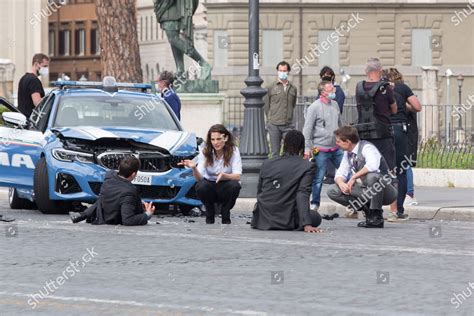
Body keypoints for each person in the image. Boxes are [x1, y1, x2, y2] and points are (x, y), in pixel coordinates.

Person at [251, 130, 322, 233]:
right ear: (301, 147)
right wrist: (306, 224)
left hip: (263, 219)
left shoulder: (267, 163)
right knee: (316, 217)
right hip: (287, 219)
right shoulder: (307, 166)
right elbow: (302, 193)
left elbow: (260, 191)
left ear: (284, 144)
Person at [327, 126, 398, 228]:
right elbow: (340, 173)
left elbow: (372, 165)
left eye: (338, 141)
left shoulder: (367, 147)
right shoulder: (348, 154)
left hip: (387, 192)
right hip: (367, 191)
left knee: (372, 177)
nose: (336, 144)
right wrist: (341, 184)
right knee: (332, 190)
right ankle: (368, 211)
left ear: (347, 142)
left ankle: (376, 216)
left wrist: (353, 177)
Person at [179, 124, 241, 224]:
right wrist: (194, 168)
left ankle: (225, 212)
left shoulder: (233, 151)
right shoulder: (205, 151)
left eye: (218, 139)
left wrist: (224, 175)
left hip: (226, 185)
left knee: (235, 185)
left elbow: (237, 176)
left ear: (225, 138)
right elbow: (199, 179)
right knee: (201, 186)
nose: (215, 142)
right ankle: (209, 212)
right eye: (213, 139)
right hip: (210, 186)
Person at [69, 156, 155, 225]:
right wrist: (147, 215)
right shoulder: (129, 191)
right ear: (133, 174)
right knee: (103, 198)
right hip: (111, 218)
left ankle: (82, 215)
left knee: (102, 198)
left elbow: (116, 195)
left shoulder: (109, 176)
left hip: (101, 213)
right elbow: (128, 220)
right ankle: (82, 215)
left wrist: (139, 203)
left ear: (119, 168)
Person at [387, 68, 422, 221]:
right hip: (400, 129)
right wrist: (406, 107)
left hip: (383, 130)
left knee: (384, 170)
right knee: (400, 170)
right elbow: (417, 107)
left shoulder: (379, 89)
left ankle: (376, 208)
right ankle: (397, 210)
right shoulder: (403, 88)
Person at [302, 81, 343, 211]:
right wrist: (306, 149)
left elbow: (340, 124)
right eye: (331, 89)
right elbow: (307, 129)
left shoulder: (335, 105)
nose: (334, 91)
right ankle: (315, 204)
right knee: (318, 178)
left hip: (336, 148)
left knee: (345, 174)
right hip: (321, 148)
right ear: (323, 92)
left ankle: (351, 204)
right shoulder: (314, 107)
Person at [355, 58, 397, 172]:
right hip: (383, 134)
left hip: (364, 133)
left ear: (366, 71)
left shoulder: (359, 87)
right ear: (381, 70)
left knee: (367, 164)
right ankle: (389, 187)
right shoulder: (385, 87)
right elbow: (394, 110)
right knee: (388, 167)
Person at [154, 0, 211, 80]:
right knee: (173, 40)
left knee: (173, 39)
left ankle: (203, 64)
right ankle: (180, 70)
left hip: (172, 10)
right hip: (168, 11)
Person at [317, 66, 346, 186]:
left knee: (334, 150)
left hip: (332, 126)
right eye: (324, 75)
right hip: (323, 126)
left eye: (328, 75)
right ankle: (330, 174)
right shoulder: (321, 91)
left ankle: (334, 174)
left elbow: (336, 109)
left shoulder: (337, 92)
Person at [264, 61, 298, 158]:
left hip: (288, 124)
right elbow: (266, 105)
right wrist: (270, 119)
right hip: (274, 124)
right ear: (277, 71)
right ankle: (276, 172)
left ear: (288, 72)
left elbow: (293, 104)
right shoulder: (270, 87)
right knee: (275, 153)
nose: (282, 72)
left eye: (284, 70)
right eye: (280, 70)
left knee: (290, 152)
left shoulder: (293, 88)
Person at [17, 53, 49, 118]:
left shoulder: (23, 78)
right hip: (31, 122)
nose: (46, 69)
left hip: (22, 120)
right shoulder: (34, 80)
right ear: (36, 64)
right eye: (44, 66)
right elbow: (37, 103)